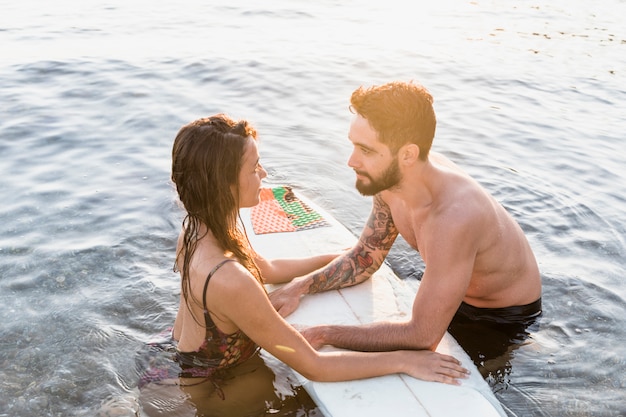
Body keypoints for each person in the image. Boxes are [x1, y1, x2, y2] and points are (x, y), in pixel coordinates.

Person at [138, 114, 469, 417]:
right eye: (254, 168)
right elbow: (314, 365)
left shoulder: (195, 229)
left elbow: (265, 268)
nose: (264, 174)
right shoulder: (230, 281)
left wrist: (344, 256)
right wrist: (406, 360)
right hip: (207, 391)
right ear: (225, 185)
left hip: (168, 360)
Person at [269, 81, 543, 375]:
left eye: (366, 150)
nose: (351, 161)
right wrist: (300, 286)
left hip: (501, 320)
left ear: (408, 155)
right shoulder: (390, 181)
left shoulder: (454, 217)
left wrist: (324, 334)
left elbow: (423, 337)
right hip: (454, 292)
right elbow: (366, 258)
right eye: (353, 145)